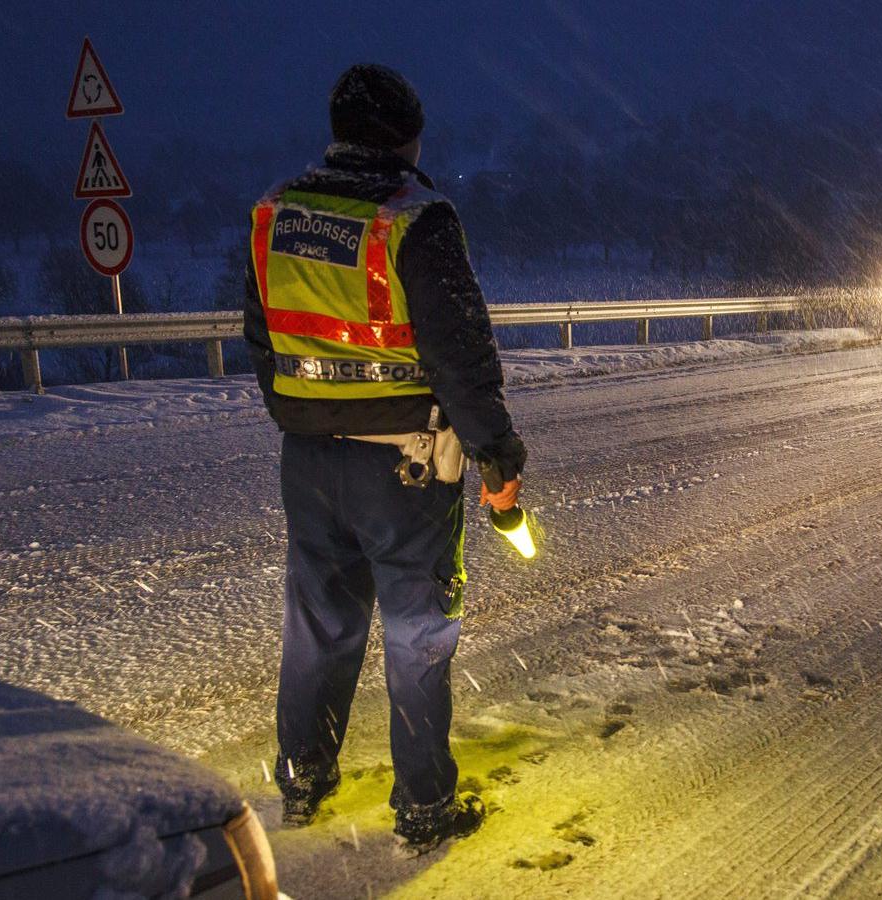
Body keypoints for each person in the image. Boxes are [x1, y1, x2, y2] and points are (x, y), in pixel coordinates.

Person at [242, 63, 526, 852]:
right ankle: (425, 805)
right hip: (404, 463)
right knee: (418, 630)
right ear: (408, 136)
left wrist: (304, 411)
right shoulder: (417, 218)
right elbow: (460, 355)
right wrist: (497, 456)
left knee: (318, 624)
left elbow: (261, 336)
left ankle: (302, 775)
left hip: (307, 458)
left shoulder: (275, 213)